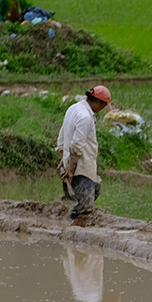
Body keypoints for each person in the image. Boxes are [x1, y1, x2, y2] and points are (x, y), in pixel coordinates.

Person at [56, 85, 110, 224]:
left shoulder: (73, 108)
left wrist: (63, 159)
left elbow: (62, 136)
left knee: (96, 189)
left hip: (79, 163)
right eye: (103, 105)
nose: (103, 108)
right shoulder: (85, 117)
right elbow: (76, 147)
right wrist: (71, 171)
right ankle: (75, 231)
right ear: (97, 101)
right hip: (81, 166)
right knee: (85, 207)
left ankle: (72, 223)